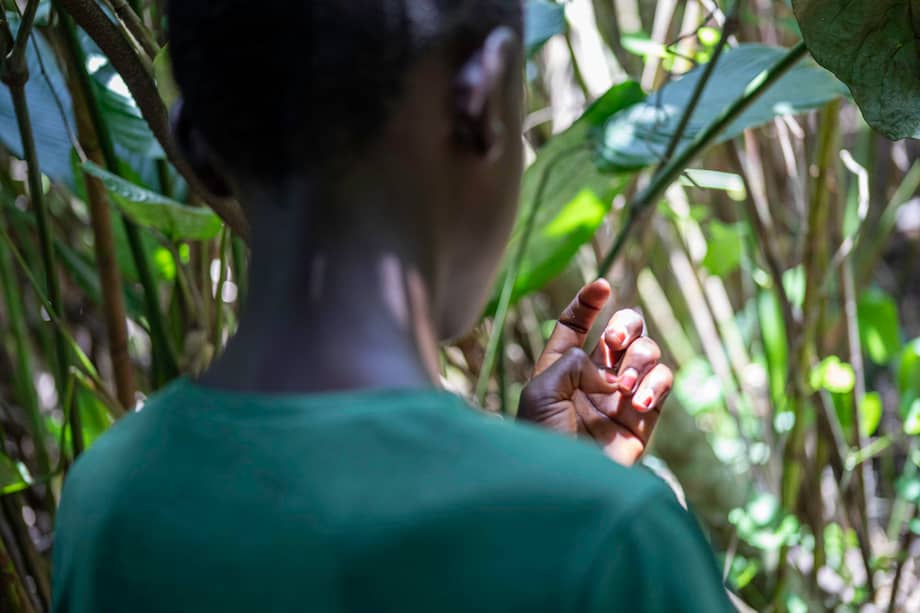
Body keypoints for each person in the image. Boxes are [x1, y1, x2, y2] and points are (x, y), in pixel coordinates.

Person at [52, 1, 735, 611]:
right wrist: (569, 512)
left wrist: (549, 482)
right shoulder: (613, 538)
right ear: (483, 97)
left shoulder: (108, 501)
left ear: (195, 146)